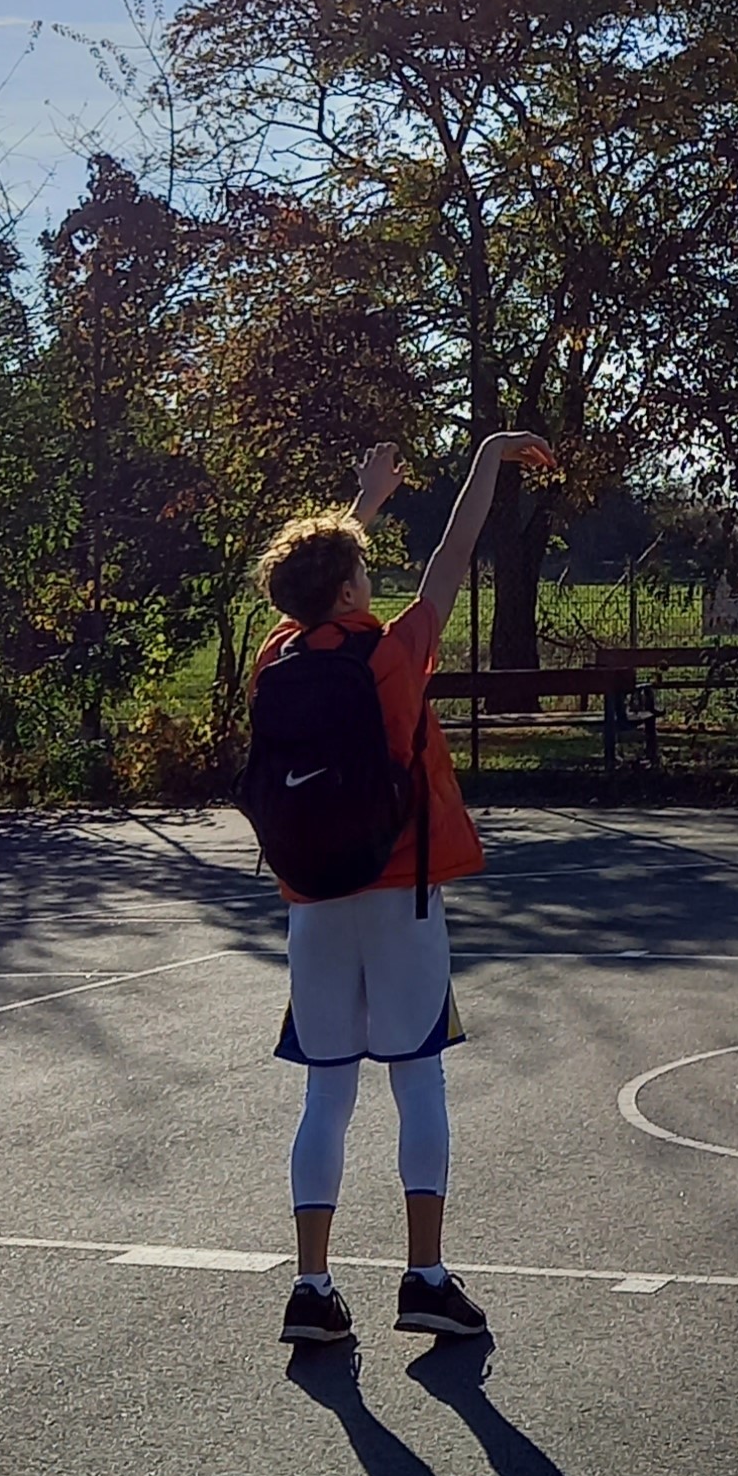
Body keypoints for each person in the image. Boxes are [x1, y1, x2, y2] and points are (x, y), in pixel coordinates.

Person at [252, 430, 552, 1350]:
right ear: (348, 589)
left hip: (311, 898)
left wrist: (359, 503)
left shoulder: (277, 655)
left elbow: (308, 585)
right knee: (418, 1079)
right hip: (400, 888)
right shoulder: (395, 651)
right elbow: (452, 554)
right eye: (360, 571)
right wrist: (489, 458)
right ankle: (424, 1277)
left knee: (326, 1094)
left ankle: (312, 1287)